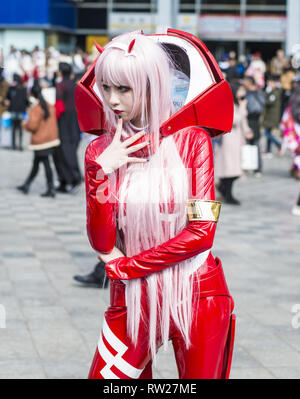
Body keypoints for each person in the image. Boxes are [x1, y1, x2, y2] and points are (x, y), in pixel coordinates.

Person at [77, 31, 236, 379]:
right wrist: (100, 170)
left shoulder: (194, 142)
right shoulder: (98, 151)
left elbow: (202, 232)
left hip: (197, 292)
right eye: (106, 88)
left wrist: (131, 266)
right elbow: (102, 242)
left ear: (151, 86)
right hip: (133, 300)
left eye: (124, 88)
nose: (113, 100)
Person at [17, 80, 60, 197]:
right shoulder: (49, 105)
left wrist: (24, 124)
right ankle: (27, 185)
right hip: (50, 140)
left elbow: (32, 126)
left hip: (40, 141)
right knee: (38, 164)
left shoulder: (36, 108)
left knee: (43, 164)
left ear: (32, 95)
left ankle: (49, 188)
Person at [215, 82, 253, 205]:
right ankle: (227, 194)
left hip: (237, 140)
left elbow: (243, 121)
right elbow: (235, 120)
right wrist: (242, 108)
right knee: (230, 169)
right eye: (240, 90)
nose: (243, 93)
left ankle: (224, 189)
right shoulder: (228, 103)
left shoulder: (238, 104)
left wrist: (247, 131)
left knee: (234, 169)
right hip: (229, 140)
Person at [53, 62, 82, 193]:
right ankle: (66, 181)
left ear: (60, 72)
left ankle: (73, 179)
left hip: (64, 122)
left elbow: (59, 106)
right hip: (75, 122)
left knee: (62, 152)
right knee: (70, 152)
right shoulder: (75, 85)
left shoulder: (60, 85)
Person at [243, 75, 265, 177]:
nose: (243, 83)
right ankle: (247, 166)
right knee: (246, 145)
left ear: (249, 82)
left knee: (255, 145)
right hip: (248, 121)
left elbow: (258, 108)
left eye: (245, 81)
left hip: (254, 121)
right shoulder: (245, 93)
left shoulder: (255, 93)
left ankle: (257, 168)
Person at [280, 86, 300, 179]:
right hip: (294, 131)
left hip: (293, 132)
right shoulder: (291, 108)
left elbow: (284, 121)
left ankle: (295, 169)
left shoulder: (291, 107)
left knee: (296, 153)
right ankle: (296, 169)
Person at [5, 73, 28, 150]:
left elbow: (7, 98)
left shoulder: (12, 88)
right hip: (19, 111)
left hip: (15, 110)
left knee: (14, 128)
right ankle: (18, 145)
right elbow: (26, 100)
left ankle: (15, 145)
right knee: (19, 129)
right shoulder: (22, 88)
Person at [262, 75, 282, 157]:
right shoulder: (271, 91)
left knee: (266, 133)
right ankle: (268, 150)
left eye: (270, 82)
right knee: (268, 132)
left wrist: (267, 93)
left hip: (272, 116)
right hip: (269, 115)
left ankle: (278, 144)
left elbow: (269, 102)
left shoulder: (275, 92)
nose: (269, 84)